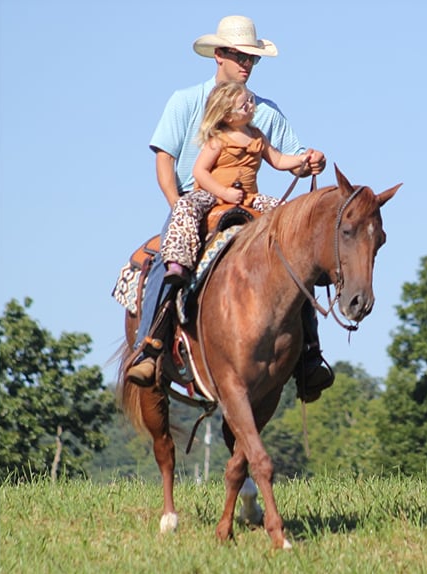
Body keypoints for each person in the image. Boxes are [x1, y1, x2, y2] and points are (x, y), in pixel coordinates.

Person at [126, 15, 333, 403]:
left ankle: (308, 357)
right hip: (196, 196)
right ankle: (149, 345)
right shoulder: (185, 100)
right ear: (218, 54)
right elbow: (165, 161)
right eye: (238, 55)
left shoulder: (265, 112)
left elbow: (289, 157)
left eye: (251, 58)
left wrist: (310, 161)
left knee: (296, 257)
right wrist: (179, 208)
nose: (245, 64)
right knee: (166, 255)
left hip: (248, 202)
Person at [161, 81, 316, 285]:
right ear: (227, 115)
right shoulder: (218, 139)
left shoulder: (257, 135)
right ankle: (178, 260)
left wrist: (303, 159)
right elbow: (200, 172)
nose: (251, 106)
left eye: (251, 101)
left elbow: (278, 160)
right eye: (244, 105)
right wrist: (223, 192)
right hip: (213, 195)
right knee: (185, 206)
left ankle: (301, 261)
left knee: (286, 212)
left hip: (248, 198)